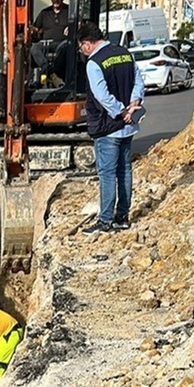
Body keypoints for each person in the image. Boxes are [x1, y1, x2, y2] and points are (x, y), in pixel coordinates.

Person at [77, 22, 145, 235]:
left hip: (108, 126)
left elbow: (102, 95)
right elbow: (138, 82)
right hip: (127, 126)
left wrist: (120, 111)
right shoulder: (125, 54)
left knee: (107, 173)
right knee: (124, 170)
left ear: (87, 44)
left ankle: (106, 220)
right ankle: (122, 217)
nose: (82, 51)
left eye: (81, 47)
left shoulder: (94, 63)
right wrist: (133, 105)